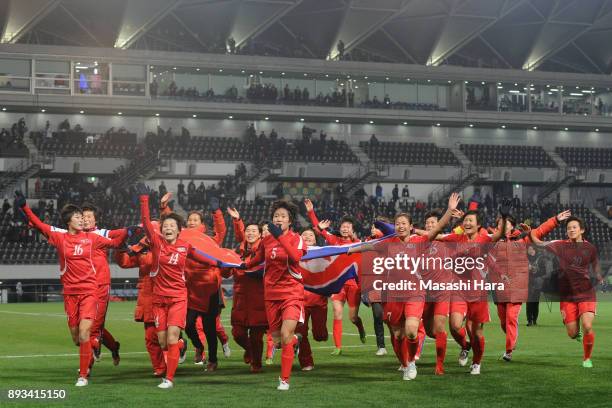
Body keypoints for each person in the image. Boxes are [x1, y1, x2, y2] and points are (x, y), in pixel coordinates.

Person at [19, 198, 127, 386]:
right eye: (78, 217)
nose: (82, 220)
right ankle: (105, 348)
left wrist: (132, 231)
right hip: (70, 294)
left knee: (87, 332)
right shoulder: (60, 238)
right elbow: (40, 225)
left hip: (90, 292)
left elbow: (115, 242)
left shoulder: (93, 237)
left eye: (84, 217)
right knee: (78, 338)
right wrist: (24, 207)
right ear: (69, 221)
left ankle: (83, 375)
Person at [138, 186, 219, 389]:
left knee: (172, 337)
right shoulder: (157, 243)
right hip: (159, 300)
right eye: (166, 225)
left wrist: (225, 262)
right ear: (162, 229)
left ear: (178, 229)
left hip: (178, 299)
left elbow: (207, 258)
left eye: (172, 225)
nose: (168, 228)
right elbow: (147, 223)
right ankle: (180, 347)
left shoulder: (185, 246)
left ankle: (169, 378)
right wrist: (144, 200)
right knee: (164, 341)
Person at [437, 199, 509, 375]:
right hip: (458, 291)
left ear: (478, 226)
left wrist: (505, 217)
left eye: (471, 221)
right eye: (466, 220)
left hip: (477, 293)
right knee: (454, 326)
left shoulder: (484, 240)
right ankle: (465, 346)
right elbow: (435, 235)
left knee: (475, 332)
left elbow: (499, 236)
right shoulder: (456, 238)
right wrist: (411, 231)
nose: (467, 223)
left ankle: (477, 362)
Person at [488, 209, 570, 362]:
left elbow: (540, 231)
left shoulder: (522, 240)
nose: (502, 226)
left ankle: (509, 350)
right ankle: (511, 340)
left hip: (517, 286)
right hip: (498, 286)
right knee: (503, 321)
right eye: (500, 223)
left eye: (506, 224)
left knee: (511, 318)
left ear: (512, 226)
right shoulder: (491, 240)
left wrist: (556, 220)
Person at [243, 200, 307, 391]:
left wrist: (281, 237)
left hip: (292, 293)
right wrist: (243, 265)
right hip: (271, 294)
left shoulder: (296, 238)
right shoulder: (267, 240)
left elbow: (296, 258)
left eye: (283, 216)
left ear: (290, 221)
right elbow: (258, 258)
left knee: (286, 334)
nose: (279, 219)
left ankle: (284, 380)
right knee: (278, 340)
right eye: (276, 216)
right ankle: (296, 341)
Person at [530, 217, 603, 368]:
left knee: (587, 325)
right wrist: (530, 232)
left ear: (581, 230)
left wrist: (598, 276)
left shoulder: (590, 248)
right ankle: (577, 335)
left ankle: (587, 358)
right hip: (568, 296)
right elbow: (538, 242)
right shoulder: (560, 245)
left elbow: (595, 264)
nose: (571, 230)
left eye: (574, 227)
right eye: (569, 228)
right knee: (572, 333)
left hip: (586, 292)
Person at [305, 199, 365, 355]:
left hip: (352, 284)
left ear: (352, 229)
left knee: (353, 317)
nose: (345, 228)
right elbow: (320, 231)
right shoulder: (334, 241)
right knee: (337, 313)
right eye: (343, 226)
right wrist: (311, 212)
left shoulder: (359, 244)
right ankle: (338, 347)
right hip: (337, 284)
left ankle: (359, 325)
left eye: (348, 227)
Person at [81, 202, 132, 365]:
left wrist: (134, 228)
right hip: (82, 285)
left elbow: (121, 232)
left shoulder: (102, 233)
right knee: (87, 326)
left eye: (89, 216)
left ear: (96, 221)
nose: (86, 219)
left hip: (100, 283)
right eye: (83, 216)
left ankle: (86, 367)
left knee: (93, 326)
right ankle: (113, 346)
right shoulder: (75, 235)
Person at [183, 197, 228, 372]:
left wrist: (217, 213)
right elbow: (169, 227)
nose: (191, 222)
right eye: (189, 220)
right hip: (191, 289)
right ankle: (198, 346)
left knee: (210, 328)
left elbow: (222, 231)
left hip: (210, 289)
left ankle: (213, 360)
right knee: (188, 325)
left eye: (195, 220)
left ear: (202, 223)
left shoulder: (210, 239)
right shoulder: (183, 237)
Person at [225, 207, 268, 373]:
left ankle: (256, 363)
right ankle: (249, 351)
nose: (250, 233)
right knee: (237, 334)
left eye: (253, 231)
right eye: (247, 230)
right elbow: (227, 271)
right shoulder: (238, 251)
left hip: (259, 298)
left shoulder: (263, 250)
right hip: (241, 299)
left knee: (257, 337)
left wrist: (238, 222)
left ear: (260, 234)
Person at [295, 228, 329, 371]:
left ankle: (321, 334)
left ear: (315, 239)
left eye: (310, 235)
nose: (308, 237)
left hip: (318, 300)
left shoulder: (323, 253)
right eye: (304, 235)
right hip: (299, 300)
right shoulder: (294, 253)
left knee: (320, 335)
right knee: (301, 333)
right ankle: (306, 362)